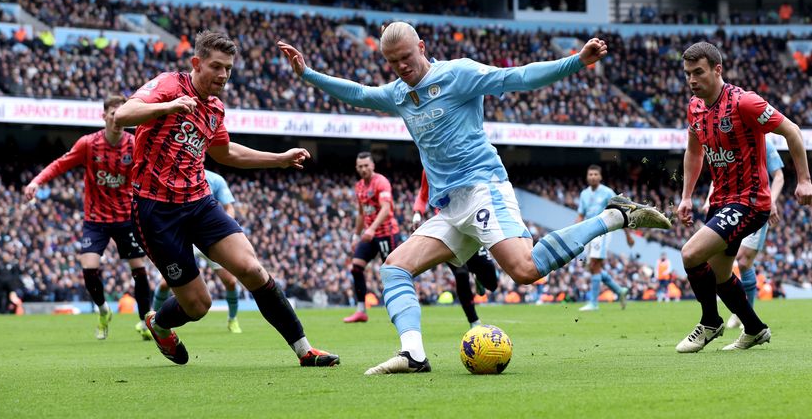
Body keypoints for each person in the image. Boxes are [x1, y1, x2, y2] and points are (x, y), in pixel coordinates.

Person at [278, 22, 671, 374]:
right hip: (449, 207)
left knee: (525, 270)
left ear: (422, 45)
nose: (401, 67)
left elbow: (519, 77)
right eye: (392, 61)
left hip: (483, 188)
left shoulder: (458, 74)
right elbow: (359, 93)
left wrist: (576, 61)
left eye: (406, 57)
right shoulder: (398, 94)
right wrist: (309, 74)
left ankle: (615, 215)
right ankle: (413, 355)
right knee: (394, 268)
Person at [115, 30, 338, 367]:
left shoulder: (215, 108)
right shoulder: (169, 85)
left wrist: (278, 158)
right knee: (198, 305)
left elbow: (225, 152)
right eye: (216, 66)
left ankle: (304, 350)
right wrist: (170, 106)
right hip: (156, 210)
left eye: (228, 69)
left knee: (251, 268)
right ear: (197, 63)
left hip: (199, 203)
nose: (222, 75)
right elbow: (123, 116)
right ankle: (159, 324)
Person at [676, 41, 811, 353]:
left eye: (698, 72)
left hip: (750, 200)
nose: (692, 80)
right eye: (687, 74)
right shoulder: (695, 108)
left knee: (690, 254)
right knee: (721, 275)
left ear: (717, 69)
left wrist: (803, 180)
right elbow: (694, 153)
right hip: (721, 200)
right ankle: (755, 329)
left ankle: (710, 321)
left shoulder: (744, 103)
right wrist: (686, 197)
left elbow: (792, 130)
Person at [24, 95, 153, 341]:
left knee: (139, 269)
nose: (118, 119)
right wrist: (36, 181)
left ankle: (146, 321)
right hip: (96, 219)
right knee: (89, 268)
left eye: (123, 114)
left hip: (126, 217)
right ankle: (104, 311)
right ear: (104, 116)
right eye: (113, 114)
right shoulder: (88, 144)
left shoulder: (135, 144)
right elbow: (60, 164)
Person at [700, 138, 784, 330]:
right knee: (722, 262)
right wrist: (709, 201)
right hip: (730, 206)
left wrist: (772, 201)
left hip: (755, 205)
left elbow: (778, 176)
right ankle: (739, 312)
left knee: (744, 260)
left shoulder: (763, 141)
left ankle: (747, 316)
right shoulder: (728, 141)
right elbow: (719, 176)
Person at [153, 169, 244, 334]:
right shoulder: (174, 176)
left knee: (230, 281)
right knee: (165, 283)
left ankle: (233, 319)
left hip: (209, 237)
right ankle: (152, 317)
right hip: (185, 238)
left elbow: (229, 207)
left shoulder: (216, 179)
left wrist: (223, 227)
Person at [412, 170, 499, 328]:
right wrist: (417, 213)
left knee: (491, 283)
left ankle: (479, 278)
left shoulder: (461, 159)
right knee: (461, 274)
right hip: (448, 226)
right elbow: (423, 193)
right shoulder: (429, 166)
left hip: (470, 222)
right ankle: (474, 321)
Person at [343, 152, 402, 323]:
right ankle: (361, 310)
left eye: (366, 165)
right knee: (356, 267)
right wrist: (356, 235)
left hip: (386, 233)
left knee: (392, 271)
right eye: (360, 166)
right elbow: (361, 213)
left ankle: (400, 308)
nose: (363, 169)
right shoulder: (359, 186)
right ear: (356, 168)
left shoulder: (381, 182)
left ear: (372, 166)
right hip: (370, 235)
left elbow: (386, 209)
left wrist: (372, 229)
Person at [576, 165, 633, 311]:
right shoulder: (584, 194)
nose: (593, 176)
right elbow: (581, 215)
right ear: (587, 177)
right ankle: (620, 291)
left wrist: (628, 236)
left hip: (602, 231)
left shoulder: (608, 192)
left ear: (600, 177)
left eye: (596, 174)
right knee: (593, 267)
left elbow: (620, 212)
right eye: (590, 174)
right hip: (588, 232)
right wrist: (574, 233)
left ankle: (594, 303)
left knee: (595, 264)